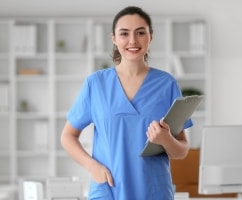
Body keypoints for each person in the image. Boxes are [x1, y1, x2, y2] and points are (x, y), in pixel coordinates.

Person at [61, 6, 192, 200]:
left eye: (140, 32)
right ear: (114, 38)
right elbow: (68, 136)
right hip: (108, 189)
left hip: (153, 190)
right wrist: (92, 166)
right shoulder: (95, 84)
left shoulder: (167, 84)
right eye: (124, 33)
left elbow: (182, 150)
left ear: (150, 37)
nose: (133, 40)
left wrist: (165, 139)